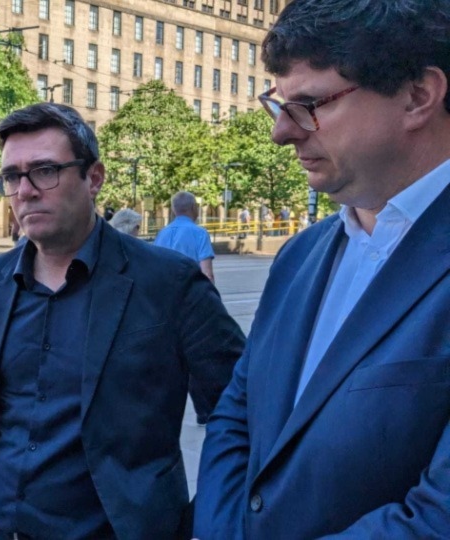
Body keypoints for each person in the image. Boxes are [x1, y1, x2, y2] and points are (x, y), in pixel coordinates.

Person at [194, 1, 450, 538]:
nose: (281, 133)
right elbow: (237, 418)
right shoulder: (300, 256)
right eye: (281, 105)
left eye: (310, 104)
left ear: (418, 95)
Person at [0, 103, 245, 539]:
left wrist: (204, 521)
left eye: (45, 170)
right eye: (11, 176)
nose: (25, 191)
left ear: (94, 177)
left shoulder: (170, 283)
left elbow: (241, 411)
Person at [154, 191, 215, 284]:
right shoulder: (200, 233)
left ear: (174, 210)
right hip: (191, 291)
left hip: (166, 291)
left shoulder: (162, 234)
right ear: (194, 208)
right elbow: (207, 273)